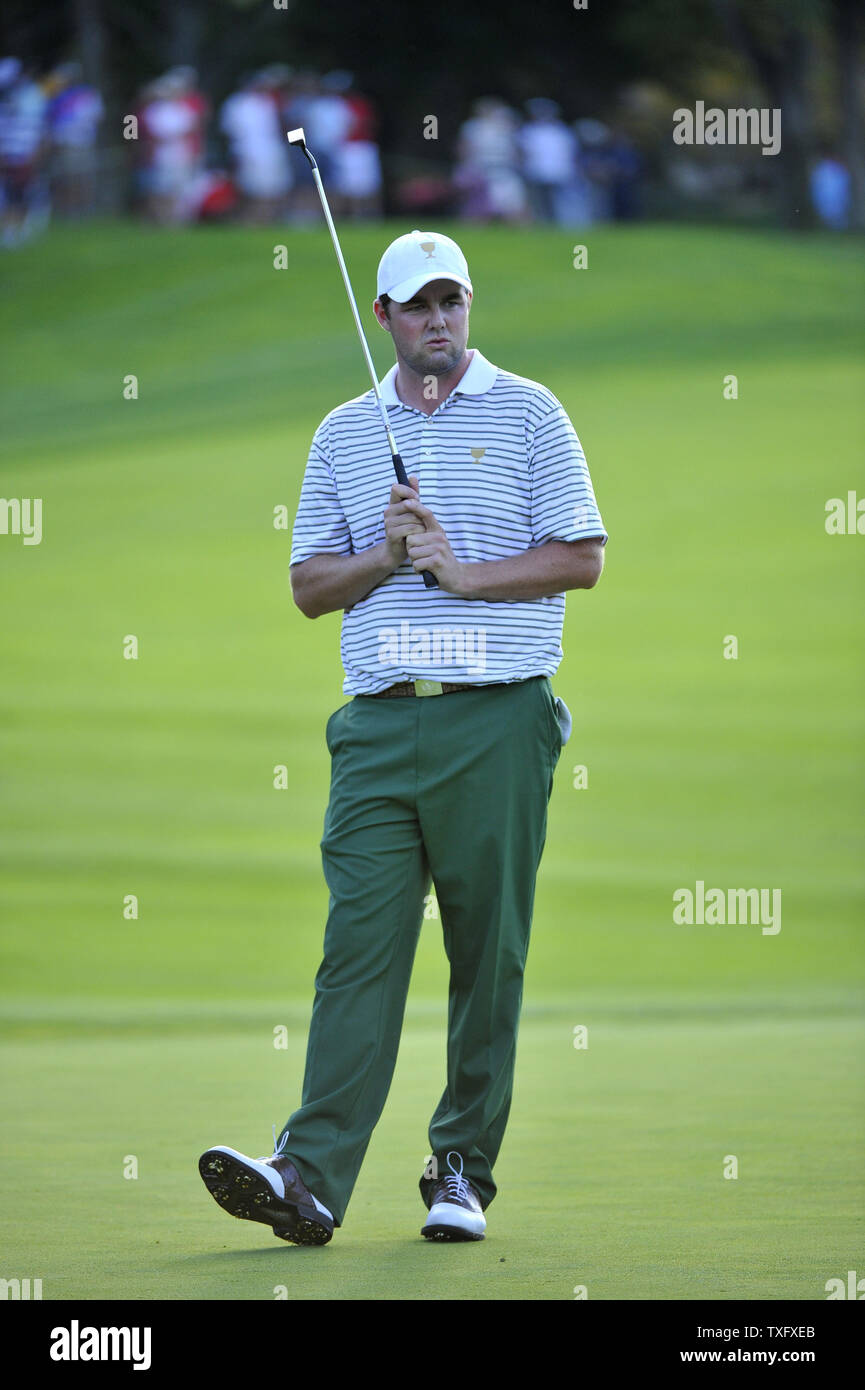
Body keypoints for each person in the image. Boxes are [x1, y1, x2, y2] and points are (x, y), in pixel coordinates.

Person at [199, 229, 608, 1245]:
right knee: (357, 951)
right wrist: (384, 556)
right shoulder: (344, 432)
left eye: (451, 300)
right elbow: (306, 586)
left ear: (467, 305)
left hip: (498, 717)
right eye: (417, 304)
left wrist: (464, 574)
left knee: (488, 952)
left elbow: (581, 556)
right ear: (381, 315)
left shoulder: (531, 412)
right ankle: (308, 1174)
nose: (437, 318)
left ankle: (460, 1171)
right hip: (379, 727)